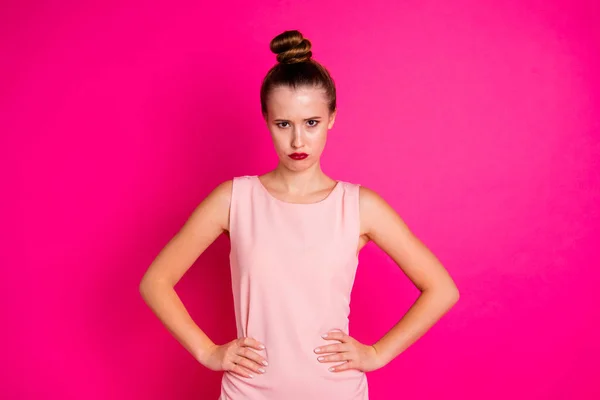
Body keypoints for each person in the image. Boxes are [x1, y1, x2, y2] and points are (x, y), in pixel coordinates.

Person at [139, 29, 460, 400]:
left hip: (335, 392)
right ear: (266, 120)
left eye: (311, 123)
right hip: (249, 392)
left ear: (331, 119)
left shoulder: (358, 206)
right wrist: (207, 351)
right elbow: (156, 281)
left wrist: (376, 353)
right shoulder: (234, 199)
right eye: (283, 124)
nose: (297, 142)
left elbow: (442, 289)